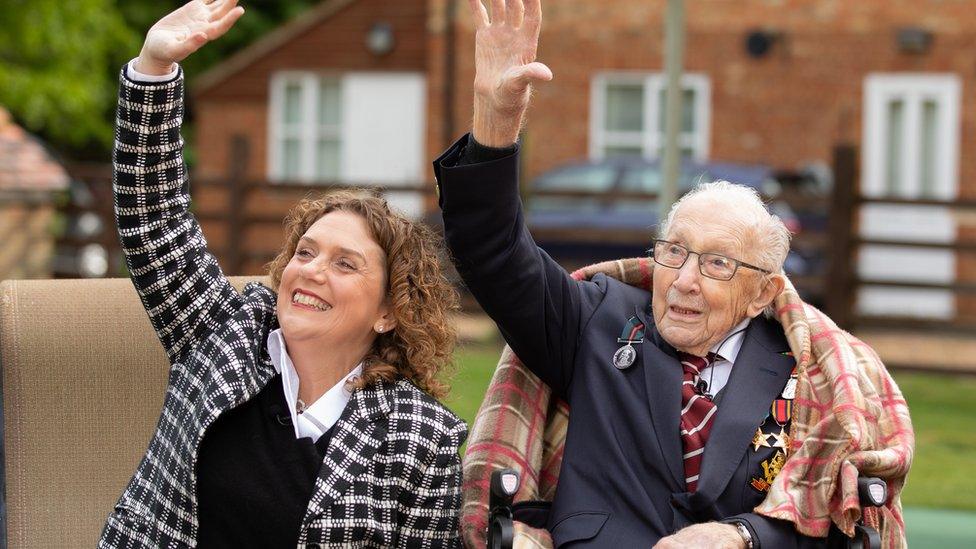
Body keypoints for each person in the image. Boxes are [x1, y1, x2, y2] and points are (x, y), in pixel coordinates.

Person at [435, 1, 910, 547]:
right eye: (674, 252)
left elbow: (834, 519)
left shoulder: (807, 370)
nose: (684, 279)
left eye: (717, 264)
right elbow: (491, 250)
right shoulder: (594, 318)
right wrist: (494, 121)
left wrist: (743, 537)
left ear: (761, 292)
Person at [100, 1, 465, 547]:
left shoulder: (421, 439)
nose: (313, 271)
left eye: (345, 264)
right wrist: (154, 68)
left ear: (390, 311)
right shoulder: (223, 331)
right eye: (305, 252)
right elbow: (154, 215)